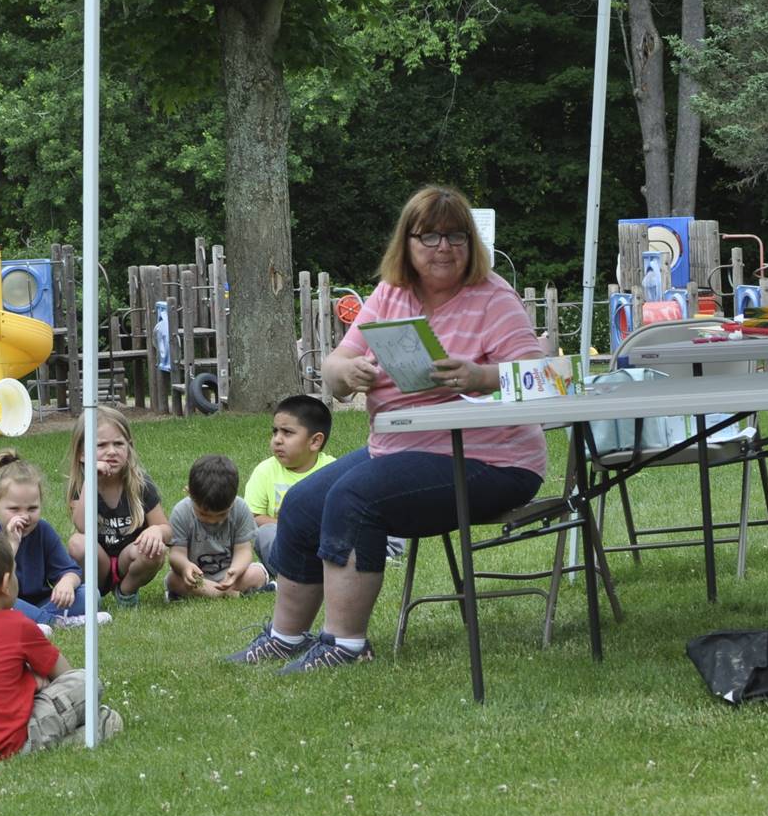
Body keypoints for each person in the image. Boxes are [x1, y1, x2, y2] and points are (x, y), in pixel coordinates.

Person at [228, 185, 546, 672]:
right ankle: (285, 635)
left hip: (492, 460)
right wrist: (346, 373)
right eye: (430, 237)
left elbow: (538, 377)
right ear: (408, 242)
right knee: (303, 503)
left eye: (456, 236)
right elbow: (337, 363)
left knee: (356, 497)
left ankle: (346, 644)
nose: (444, 248)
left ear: (471, 243)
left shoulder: (493, 297)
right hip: (397, 450)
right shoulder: (392, 294)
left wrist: (480, 376)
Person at [0, 529, 121, 766]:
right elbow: (65, 676)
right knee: (89, 687)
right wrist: (36, 680)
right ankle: (92, 729)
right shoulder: (16, 624)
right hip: (8, 745)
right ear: (6, 584)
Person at [0, 448, 105, 629]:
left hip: (43, 602)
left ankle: (36, 621)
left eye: (32, 508)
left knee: (90, 594)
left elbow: (71, 570)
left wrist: (66, 583)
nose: (25, 516)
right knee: (1, 605)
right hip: (8, 604)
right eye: (14, 509)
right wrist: (12, 545)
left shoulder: (43, 531)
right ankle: (55, 622)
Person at [65, 406, 168, 611]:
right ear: (82, 454)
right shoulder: (81, 486)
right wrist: (91, 480)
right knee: (77, 543)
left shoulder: (140, 484)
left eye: (118, 444)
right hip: (97, 563)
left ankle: (126, 592)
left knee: (157, 550)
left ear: (129, 448)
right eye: (101, 445)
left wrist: (156, 531)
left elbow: (167, 530)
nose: (111, 451)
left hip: (129, 559)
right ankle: (92, 592)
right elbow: (82, 526)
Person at [244, 394, 337, 564]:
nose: (277, 440)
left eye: (287, 433)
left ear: (315, 441)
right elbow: (254, 517)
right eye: (275, 431)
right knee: (265, 534)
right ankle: (288, 571)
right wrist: (293, 528)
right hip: (283, 543)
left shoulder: (332, 470)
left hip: (322, 541)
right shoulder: (265, 471)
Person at [167, 454, 269, 601]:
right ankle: (231, 595)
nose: (213, 520)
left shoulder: (240, 508)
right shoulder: (181, 512)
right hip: (196, 577)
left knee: (257, 573)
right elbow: (176, 554)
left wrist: (236, 570)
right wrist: (185, 567)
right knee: (173, 580)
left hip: (230, 576)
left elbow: (244, 550)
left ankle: (212, 593)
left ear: (233, 499)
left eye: (222, 514)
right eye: (203, 514)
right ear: (189, 492)